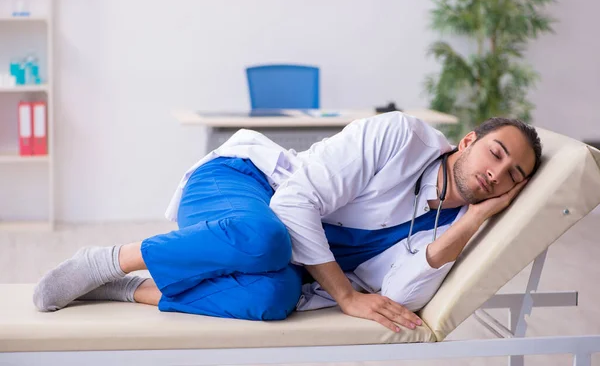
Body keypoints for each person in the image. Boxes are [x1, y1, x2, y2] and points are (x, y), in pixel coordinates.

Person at [33, 112, 541, 333]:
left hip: (285, 261)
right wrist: (344, 295)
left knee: (273, 298)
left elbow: (401, 294)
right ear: (469, 141)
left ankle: (126, 289)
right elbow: (294, 203)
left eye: (512, 175)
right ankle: (104, 260)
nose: (496, 174)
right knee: (268, 238)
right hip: (240, 183)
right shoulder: (399, 136)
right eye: (496, 153)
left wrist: (470, 221)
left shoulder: (457, 229)